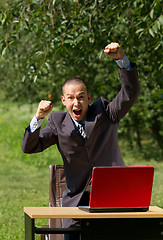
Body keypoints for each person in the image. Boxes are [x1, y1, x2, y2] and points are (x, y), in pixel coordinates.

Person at [21, 42, 140, 240]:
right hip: (77, 202)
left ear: (89, 98)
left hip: (112, 196)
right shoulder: (57, 122)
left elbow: (130, 93)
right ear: (63, 100)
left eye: (81, 97)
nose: (77, 103)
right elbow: (29, 147)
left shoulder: (105, 112)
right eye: (71, 98)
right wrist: (38, 118)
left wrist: (121, 60)